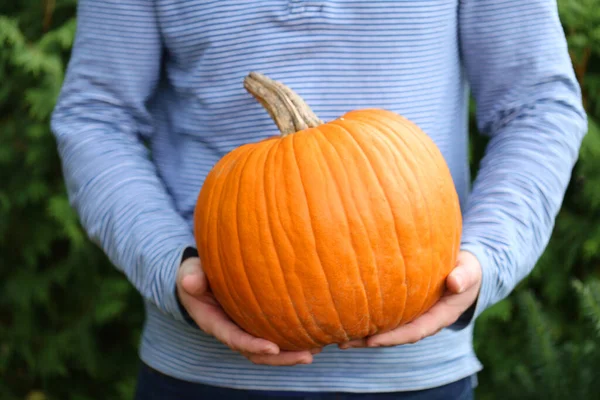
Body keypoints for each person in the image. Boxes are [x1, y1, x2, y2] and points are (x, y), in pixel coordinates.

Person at [50, 0, 587, 399]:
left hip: (418, 376)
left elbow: (537, 105)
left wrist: (485, 257)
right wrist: (172, 265)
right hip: (198, 372)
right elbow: (96, 118)